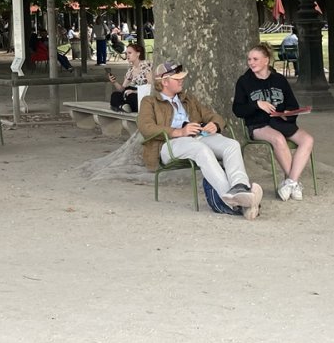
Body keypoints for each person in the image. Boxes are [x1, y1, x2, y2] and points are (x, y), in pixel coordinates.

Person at [138, 61, 263, 219]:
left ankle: (240, 188)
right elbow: (145, 127)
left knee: (231, 145)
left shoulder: (187, 99)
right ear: (164, 82)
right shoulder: (149, 102)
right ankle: (233, 201)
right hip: (168, 144)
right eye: (177, 79)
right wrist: (178, 131)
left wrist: (215, 125)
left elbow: (212, 115)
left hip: (197, 137)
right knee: (201, 150)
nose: (181, 80)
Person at [233, 43, 315, 201]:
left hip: (281, 122)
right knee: (278, 138)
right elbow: (237, 109)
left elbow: (292, 104)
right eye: (249, 59)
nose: (251, 62)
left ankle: (290, 182)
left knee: (307, 140)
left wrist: (287, 114)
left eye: (255, 59)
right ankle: (294, 183)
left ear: (266, 60)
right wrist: (257, 104)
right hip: (258, 124)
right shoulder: (244, 81)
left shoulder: (279, 80)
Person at [107, 41, 152, 112]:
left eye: (130, 53)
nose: (127, 55)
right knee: (115, 95)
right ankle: (122, 106)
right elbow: (122, 89)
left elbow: (150, 86)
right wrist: (114, 82)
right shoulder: (131, 69)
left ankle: (122, 106)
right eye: (126, 53)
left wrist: (134, 91)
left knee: (131, 97)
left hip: (142, 94)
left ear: (138, 53)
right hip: (130, 92)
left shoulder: (145, 65)